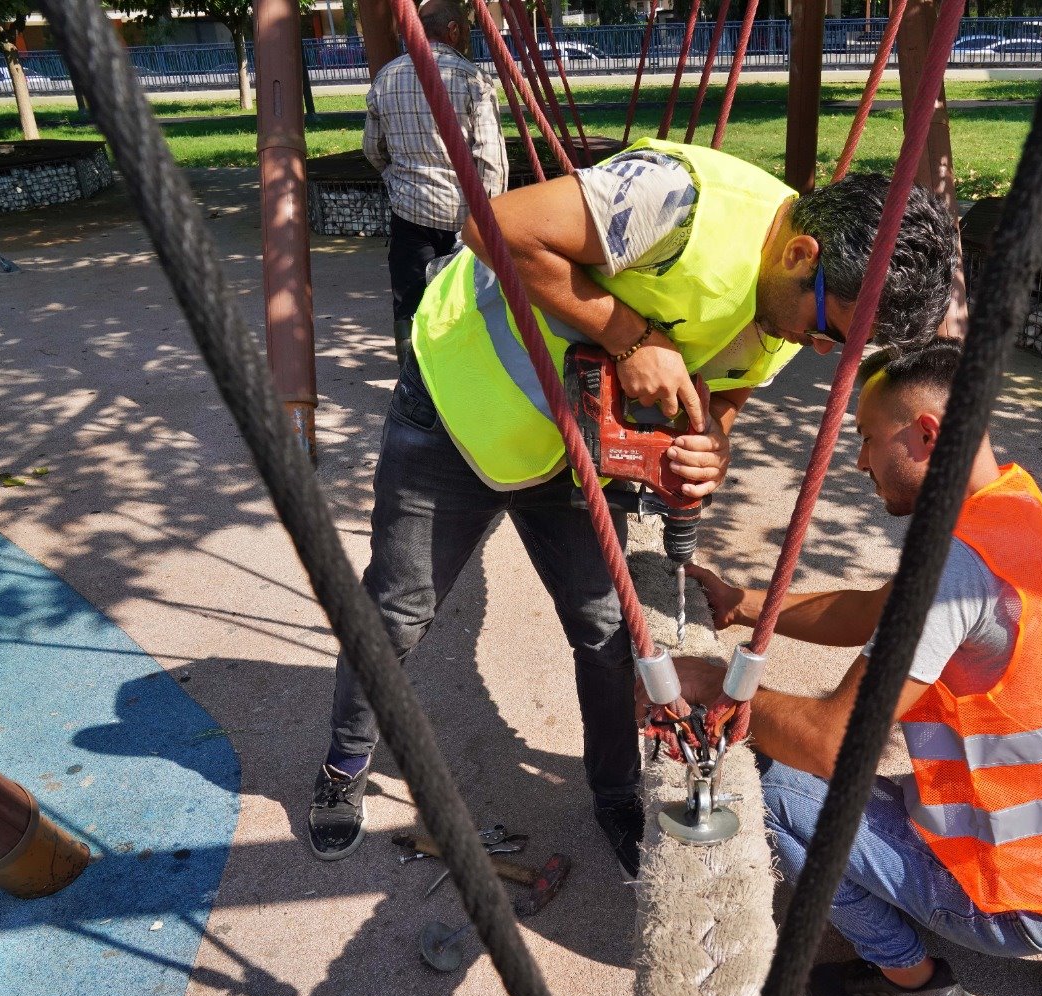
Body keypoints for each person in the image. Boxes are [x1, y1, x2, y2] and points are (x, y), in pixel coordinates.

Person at [306, 134, 961, 877]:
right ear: (801, 253)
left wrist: (711, 442)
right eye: (829, 329)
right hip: (461, 405)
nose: (817, 349)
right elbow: (490, 226)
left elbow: (729, 387)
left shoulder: (793, 308)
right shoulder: (676, 202)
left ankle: (616, 792)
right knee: (396, 611)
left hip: (576, 449)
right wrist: (632, 337)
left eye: (839, 346)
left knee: (612, 633)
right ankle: (344, 762)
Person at [671, 339, 1042, 996]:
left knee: (761, 781)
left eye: (866, 438)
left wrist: (711, 685)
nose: (858, 460)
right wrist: (744, 604)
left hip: (1018, 892)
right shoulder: (1016, 508)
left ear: (926, 434)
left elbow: (835, 743)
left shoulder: (953, 570)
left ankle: (909, 982)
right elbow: (876, 609)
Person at [364, 0, 508, 362]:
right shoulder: (471, 79)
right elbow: (492, 162)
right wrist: (486, 220)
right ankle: (462, 378)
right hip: (465, 221)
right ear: (453, 30)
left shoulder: (387, 77)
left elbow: (372, 148)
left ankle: (412, 382)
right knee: (465, 304)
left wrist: (396, 178)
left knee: (410, 303)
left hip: (410, 214)